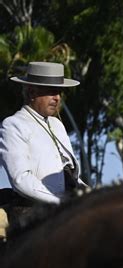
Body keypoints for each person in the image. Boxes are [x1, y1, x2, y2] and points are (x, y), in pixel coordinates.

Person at [0, 61, 85, 206]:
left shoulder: (57, 125)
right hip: (37, 210)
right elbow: (21, 179)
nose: (57, 98)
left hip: (70, 203)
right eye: (51, 91)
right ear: (32, 92)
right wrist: (60, 201)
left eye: (59, 92)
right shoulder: (13, 125)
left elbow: (73, 175)